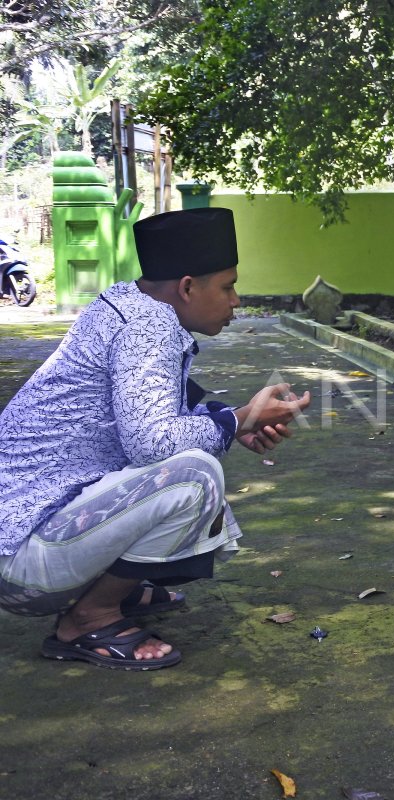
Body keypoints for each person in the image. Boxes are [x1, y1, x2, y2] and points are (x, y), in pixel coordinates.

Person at [0, 207, 310, 670]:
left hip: (24, 534)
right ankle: (88, 618)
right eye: (227, 286)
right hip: (22, 563)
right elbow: (152, 443)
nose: (237, 301)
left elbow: (151, 409)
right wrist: (239, 418)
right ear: (187, 287)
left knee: (188, 461)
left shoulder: (125, 302)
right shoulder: (149, 327)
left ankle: (116, 587)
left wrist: (235, 421)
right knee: (193, 477)